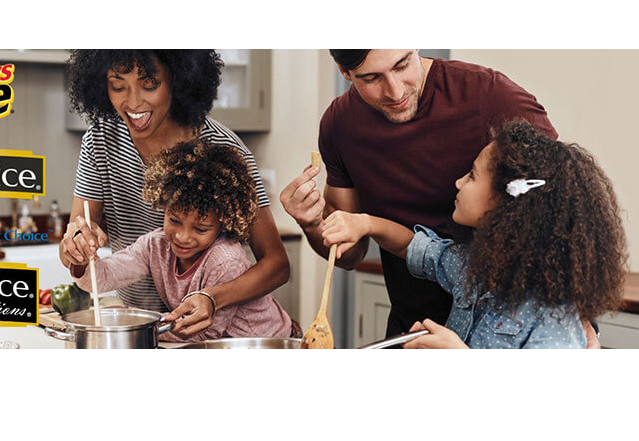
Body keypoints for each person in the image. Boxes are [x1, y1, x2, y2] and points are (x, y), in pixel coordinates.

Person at [281, 49, 561, 338]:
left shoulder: (491, 96)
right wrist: (313, 223)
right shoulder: (339, 125)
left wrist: (579, 320)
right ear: (345, 72)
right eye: (372, 77)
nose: (395, 91)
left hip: (511, 329)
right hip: (413, 331)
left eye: (402, 65)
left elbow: (567, 203)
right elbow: (352, 253)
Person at [321, 121, 626, 348]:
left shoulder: (552, 314)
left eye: (472, 175)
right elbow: (417, 247)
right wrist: (366, 224)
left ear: (505, 204)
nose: (457, 183)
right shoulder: (471, 268)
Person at [60, 50, 289, 339]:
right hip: (142, 321)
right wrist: (77, 250)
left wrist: (213, 297)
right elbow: (78, 249)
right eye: (118, 86)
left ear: (179, 80)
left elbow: (277, 265)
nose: (132, 102)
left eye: (150, 84)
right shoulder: (100, 141)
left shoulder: (224, 150)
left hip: (208, 333)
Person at [71, 140, 294, 341]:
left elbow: (205, 333)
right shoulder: (155, 246)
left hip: (266, 343)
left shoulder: (225, 260)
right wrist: (83, 261)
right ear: (163, 208)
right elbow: (101, 278)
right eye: (174, 220)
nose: (182, 237)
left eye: (200, 228)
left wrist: (134, 325)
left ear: (223, 223)